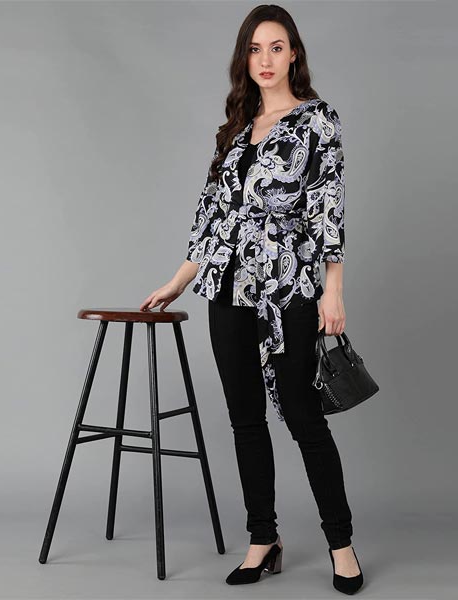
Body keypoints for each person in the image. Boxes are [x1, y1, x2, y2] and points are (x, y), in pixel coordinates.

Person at [140, 4, 363, 595]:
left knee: (303, 416)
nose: (265, 59)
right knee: (245, 420)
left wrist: (333, 291)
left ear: (294, 54)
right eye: (255, 49)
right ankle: (263, 540)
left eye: (276, 47)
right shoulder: (236, 130)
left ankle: (341, 545)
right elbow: (212, 219)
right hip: (226, 291)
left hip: (288, 289)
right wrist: (178, 280)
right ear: (245, 58)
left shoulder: (317, 121)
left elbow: (329, 209)